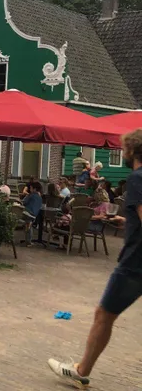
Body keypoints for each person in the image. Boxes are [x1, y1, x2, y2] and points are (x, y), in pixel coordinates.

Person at [48, 129, 142, 388]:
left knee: (104, 314)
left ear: (132, 151)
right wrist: (128, 221)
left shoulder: (137, 178)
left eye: (124, 150)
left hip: (135, 263)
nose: (123, 154)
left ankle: (80, 371)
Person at [23, 181, 43, 246]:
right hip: (34, 215)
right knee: (29, 225)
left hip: (27, 213)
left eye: (31, 188)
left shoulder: (30, 195)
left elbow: (24, 202)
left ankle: (28, 241)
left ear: (34, 189)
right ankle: (29, 241)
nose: (30, 189)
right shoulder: (40, 197)